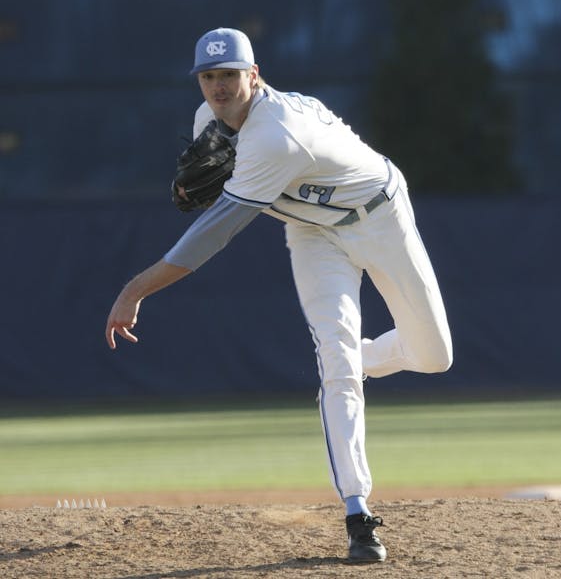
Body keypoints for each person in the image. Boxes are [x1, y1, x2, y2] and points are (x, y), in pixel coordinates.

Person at [105, 27, 453, 563]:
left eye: (229, 74)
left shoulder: (275, 134)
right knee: (334, 364)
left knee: (433, 357)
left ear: (254, 74)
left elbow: (212, 234)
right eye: (208, 76)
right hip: (312, 233)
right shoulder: (209, 121)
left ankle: (354, 359)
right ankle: (359, 514)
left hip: (380, 215)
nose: (219, 86)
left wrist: (134, 288)